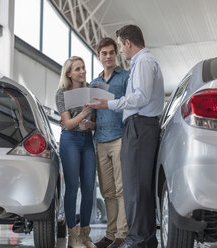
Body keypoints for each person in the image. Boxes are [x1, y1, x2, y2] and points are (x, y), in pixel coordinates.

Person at [87, 25, 165, 248]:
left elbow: (140, 97)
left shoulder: (142, 62)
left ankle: (138, 239)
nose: (120, 51)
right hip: (139, 127)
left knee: (134, 188)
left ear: (127, 43)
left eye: (119, 46)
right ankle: (144, 239)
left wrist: (109, 104)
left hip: (140, 127)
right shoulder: (145, 62)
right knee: (136, 187)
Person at [89, 37, 129, 248]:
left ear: (116, 54)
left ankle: (122, 234)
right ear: (99, 56)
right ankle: (111, 234)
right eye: (104, 53)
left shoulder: (126, 78)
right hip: (100, 140)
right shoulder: (94, 83)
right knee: (107, 192)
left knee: (121, 190)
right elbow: (94, 115)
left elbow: (132, 105)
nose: (108, 56)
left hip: (120, 137)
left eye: (111, 52)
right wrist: (89, 124)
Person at [55, 56, 97, 248]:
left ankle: (85, 235)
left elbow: (95, 123)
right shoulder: (61, 94)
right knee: (73, 188)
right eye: (78, 69)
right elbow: (68, 124)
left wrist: (90, 123)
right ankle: (73, 236)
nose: (82, 72)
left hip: (87, 140)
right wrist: (83, 113)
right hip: (70, 141)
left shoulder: (91, 91)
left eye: (83, 68)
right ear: (69, 74)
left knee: (89, 188)